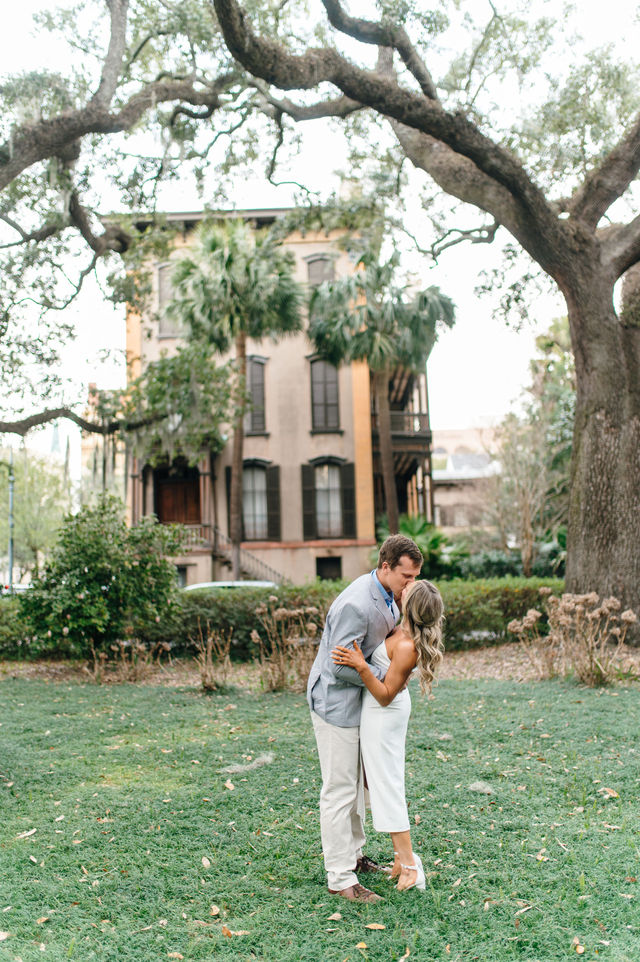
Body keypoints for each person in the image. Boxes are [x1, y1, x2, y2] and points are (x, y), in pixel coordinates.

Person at [306, 534, 423, 903]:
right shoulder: (356, 605)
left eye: (416, 576)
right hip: (336, 704)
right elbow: (339, 668)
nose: (412, 583)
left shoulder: (391, 594)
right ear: (385, 567)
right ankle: (340, 878)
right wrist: (382, 681)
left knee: (356, 787)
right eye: (407, 576)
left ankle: (354, 856)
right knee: (340, 790)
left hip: (360, 703)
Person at [331, 579, 444, 893]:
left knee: (387, 785)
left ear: (411, 604)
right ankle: (399, 860)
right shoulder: (399, 627)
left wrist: (361, 665)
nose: (405, 585)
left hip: (384, 713)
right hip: (376, 714)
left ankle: (410, 867)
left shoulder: (407, 646)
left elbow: (384, 695)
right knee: (377, 782)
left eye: (410, 587)